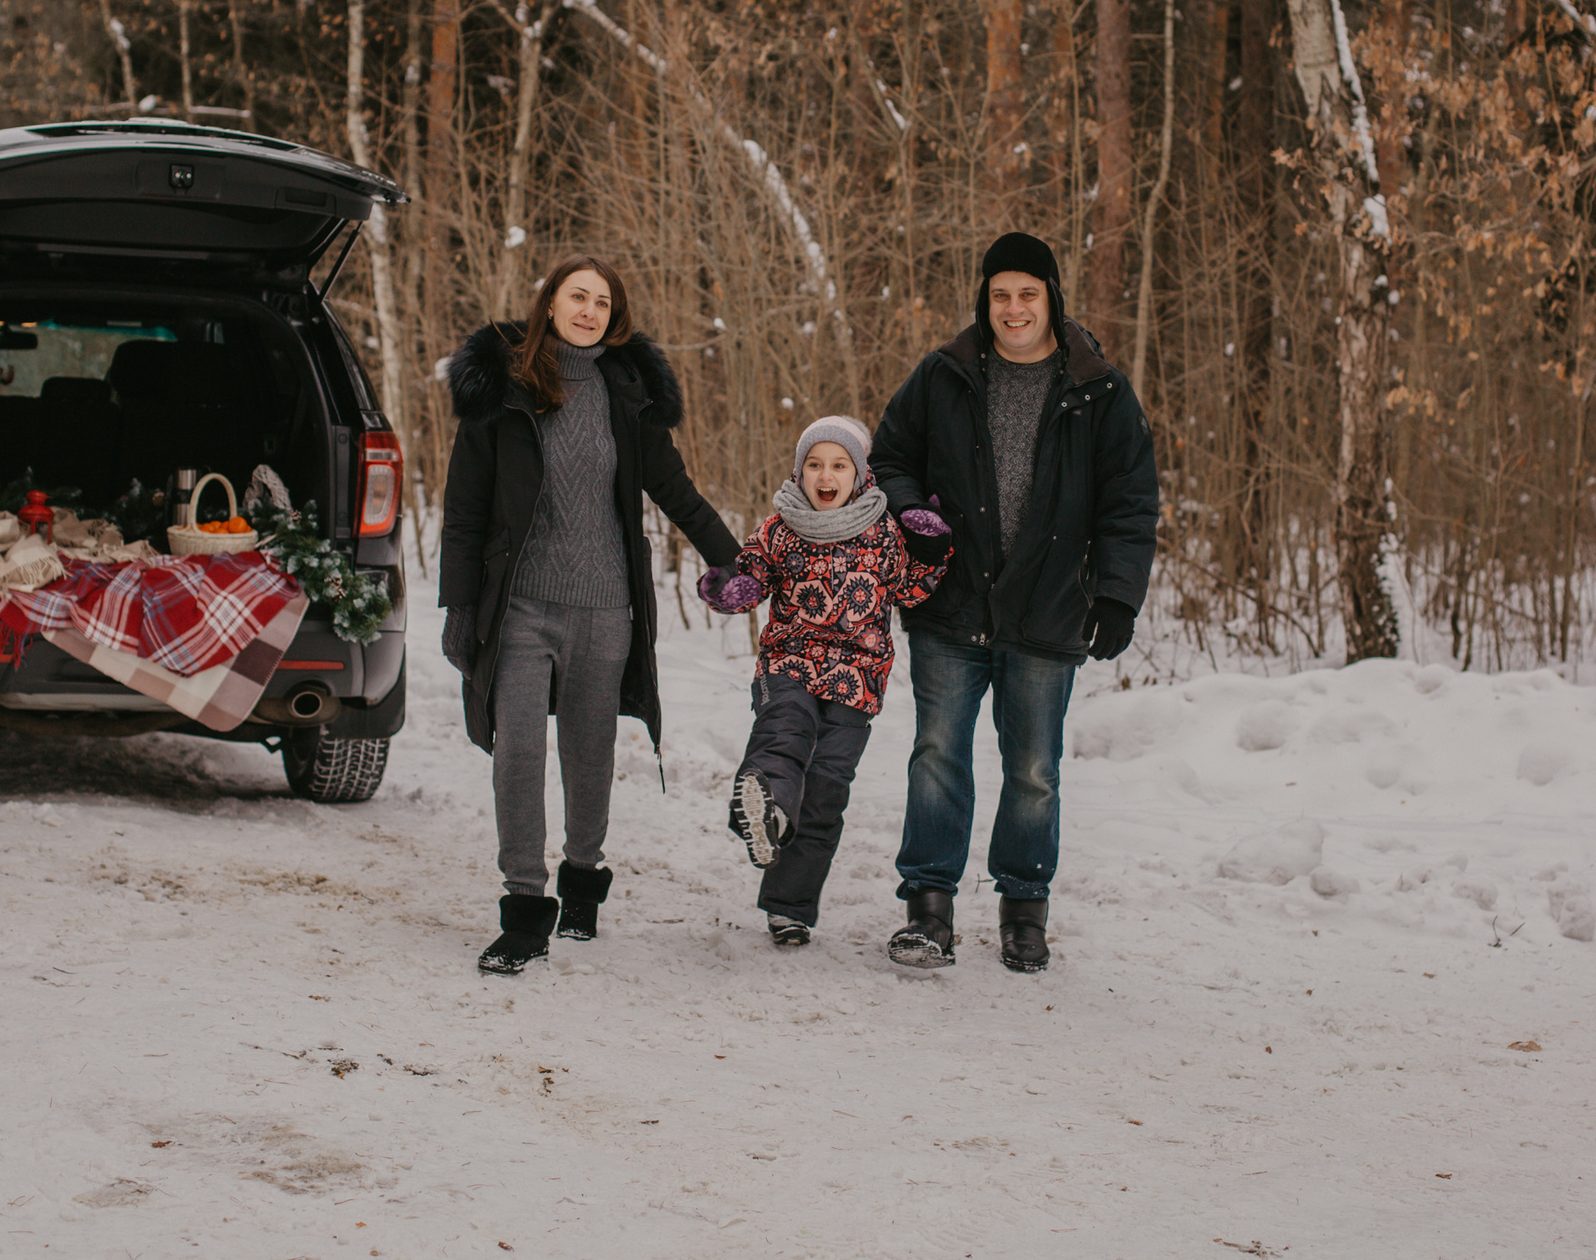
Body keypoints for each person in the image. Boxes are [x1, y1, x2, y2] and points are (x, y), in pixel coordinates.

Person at [439, 255, 743, 976]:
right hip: (521, 605)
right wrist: (459, 609)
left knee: (590, 753)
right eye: (577, 296)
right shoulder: (506, 390)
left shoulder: (624, 391)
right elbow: (463, 511)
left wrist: (732, 558)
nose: (588, 310)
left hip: (607, 608)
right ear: (549, 303)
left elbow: (675, 487)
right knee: (516, 751)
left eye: (602, 302)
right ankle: (523, 909)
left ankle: (583, 880)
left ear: (614, 316)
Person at [866, 233, 1159, 973]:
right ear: (985, 299)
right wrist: (913, 517)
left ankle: (1025, 909)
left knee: (1034, 767)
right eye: (1001, 293)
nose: (1014, 307)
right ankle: (929, 910)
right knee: (937, 755)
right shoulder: (945, 374)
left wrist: (1118, 595)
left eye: (1028, 293)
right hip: (950, 602)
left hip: (1049, 607)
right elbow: (890, 455)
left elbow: (1130, 500)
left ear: (1052, 298)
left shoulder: (1101, 391)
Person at [697, 415, 952, 946]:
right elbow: (750, 573)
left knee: (826, 792)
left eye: (838, 465)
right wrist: (729, 589)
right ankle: (763, 805)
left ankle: (788, 906)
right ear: (800, 472)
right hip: (789, 663)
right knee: (783, 734)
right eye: (814, 465)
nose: (825, 475)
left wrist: (934, 547)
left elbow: (911, 591)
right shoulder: (780, 527)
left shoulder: (883, 532)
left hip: (857, 680)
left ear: (859, 475)